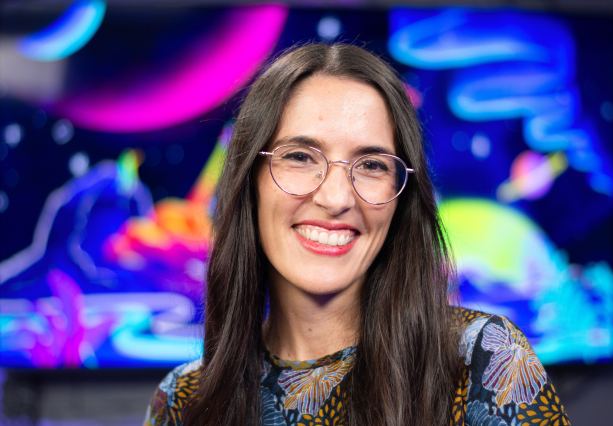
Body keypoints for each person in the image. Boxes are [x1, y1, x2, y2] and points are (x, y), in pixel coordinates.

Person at [144, 43, 571, 426]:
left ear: (401, 197)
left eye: (371, 165)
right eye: (299, 156)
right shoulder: (184, 398)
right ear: (248, 183)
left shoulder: (482, 359)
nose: (335, 197)